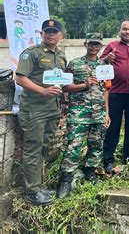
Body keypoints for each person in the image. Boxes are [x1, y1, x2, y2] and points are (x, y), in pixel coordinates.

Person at [15, 19, 67, 205]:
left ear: (60, 35)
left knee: (43, 148)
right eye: (47, 31)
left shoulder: (60, 56)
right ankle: (32, 192)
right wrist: (42, 90)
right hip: (34, 110)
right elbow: (20, 78)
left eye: (54, 31)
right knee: (33, 150)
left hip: (53, 109)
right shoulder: (31, 54)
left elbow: (61, 81)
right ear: (41, 34)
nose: (50, 34)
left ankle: (38, 186)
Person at [56, 33, 110, 198]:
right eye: (91, 44)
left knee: (96, 145)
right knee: (73, 147)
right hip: (79, 113)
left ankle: (90, 171)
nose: (94, 47)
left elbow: (107, 90)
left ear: (101, 47)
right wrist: (84, 85)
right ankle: (66, 178)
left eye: (97, 45)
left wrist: (107, 113)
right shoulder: (74, 64)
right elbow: (65, 87)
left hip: (99, 113)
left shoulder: (104, 66)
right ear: (85, 44)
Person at [101, 20, 129, 172]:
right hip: (116, 92)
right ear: (119, 31)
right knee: (113, 127)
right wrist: (106, 60)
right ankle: (108, 158)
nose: (127, 32)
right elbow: (99, 65)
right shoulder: (112, 46)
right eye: (124, 29)